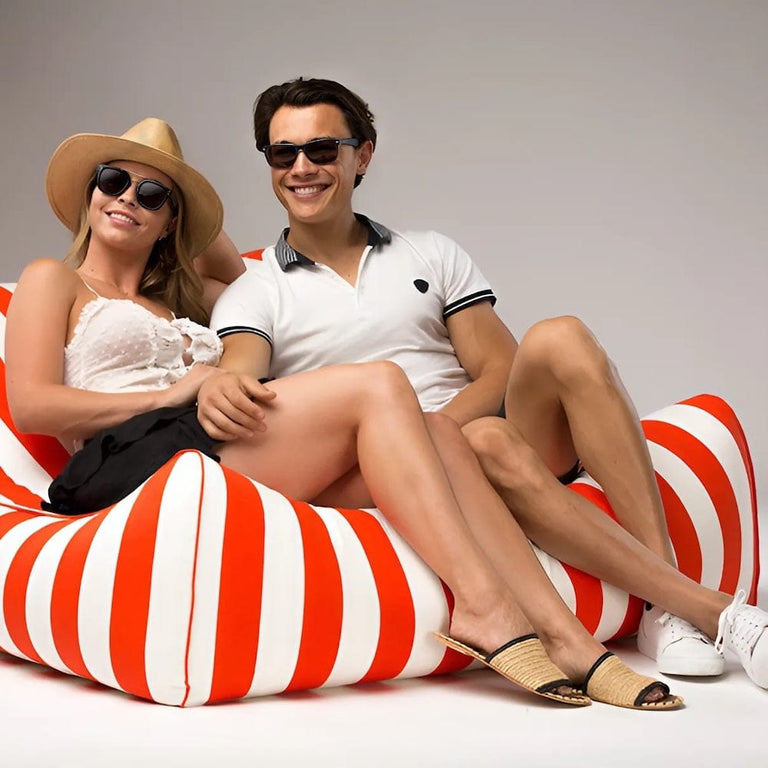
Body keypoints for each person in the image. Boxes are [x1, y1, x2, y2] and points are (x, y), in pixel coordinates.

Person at [4, 118, 682, 711]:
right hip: (126, 462)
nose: (127, 198)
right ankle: (484, 607)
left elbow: (232, 262)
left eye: (152, 195)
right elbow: (32, 403)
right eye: (112, 181)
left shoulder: (189, 296)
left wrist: (185, 212)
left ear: (170, 221)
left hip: (204, 447)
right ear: (88, 194)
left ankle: (566, 638)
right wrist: (171, 392)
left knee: (439, 435)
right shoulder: (54, 278)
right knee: (381, 383)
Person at [204, 77, 768, 690]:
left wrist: (438, 427)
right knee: (484, 442)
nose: (301, 168)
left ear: (362, 155)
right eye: (282, 153)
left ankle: (665, 608)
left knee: (560, 336)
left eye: (321, 149)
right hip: (396, 472)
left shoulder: (429, 252)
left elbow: (500, 367)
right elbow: (243, 374)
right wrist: (217, 383)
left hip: (486, 434)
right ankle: (711, 610)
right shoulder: (255, 290)